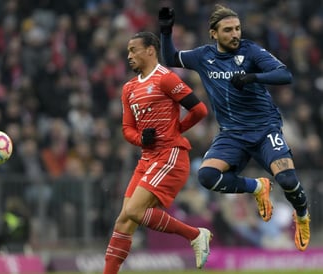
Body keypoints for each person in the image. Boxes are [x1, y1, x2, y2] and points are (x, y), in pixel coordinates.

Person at [158, 4, 310, 251]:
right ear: (214, 33)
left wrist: (252, 77)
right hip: (232, 134)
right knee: (206, 176)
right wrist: (165, 31)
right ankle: (258, 186)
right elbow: (171, 58)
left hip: (265, 129)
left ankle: (302, 215)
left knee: (288, 179)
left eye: (237, 28)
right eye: (228, 30)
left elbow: (285, 75)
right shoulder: (203, 56)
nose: (235, 34)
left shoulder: (251, 51)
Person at [103, 31, 211, 273]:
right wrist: (141, 138)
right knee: (123, 221)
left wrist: (177, 129)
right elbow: (127, 129)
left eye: (133, 50)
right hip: (147, 159)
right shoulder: (129, 88)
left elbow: (200, 110)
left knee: (134, 211)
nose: (129, 56)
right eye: (128, 51)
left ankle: (194, 235)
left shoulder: (166, 79)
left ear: (150, 50)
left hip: (170, 155)